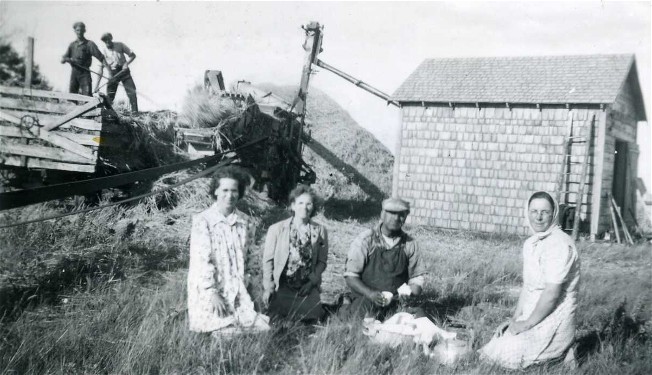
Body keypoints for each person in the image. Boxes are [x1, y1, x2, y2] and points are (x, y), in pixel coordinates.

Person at [479, 191, 580, 369]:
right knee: (491, 351)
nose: (538, 217)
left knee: (506, 359)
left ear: (554, 214)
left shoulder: (560, 244)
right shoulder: (531, 243)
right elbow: (528, 287)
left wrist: (526, 324)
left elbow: (552, 293)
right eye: (534, 211)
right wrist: (515, 320)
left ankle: (562, 352)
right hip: (533, 313)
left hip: (555, 315)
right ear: (527, 212)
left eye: (544, 212)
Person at [187, 166, 270, 334]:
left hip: (237, 288)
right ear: (216, 191)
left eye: (234, 190)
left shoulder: (246, 222)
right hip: (212, 290)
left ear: (239, 193)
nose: (229, 195)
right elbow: (201, 261)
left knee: (261, 329)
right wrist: (212, 293)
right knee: (222, 330)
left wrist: (253, 289)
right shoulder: (203, 221)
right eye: (224, 190)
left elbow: (252, 260)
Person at [341, 197, 427, 320]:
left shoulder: (410, 244)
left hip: (396, 302)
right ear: (382, 214)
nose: (396, 218)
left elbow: (417, 278)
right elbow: (351, 276)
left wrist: (410, 292)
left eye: (401, 215)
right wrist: (370, 294)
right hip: (365, 299)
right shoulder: (366, 240)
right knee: (363, 316)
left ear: (406, 217)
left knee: (419, 318)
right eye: (392, 213)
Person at [262, 184, 328, 322]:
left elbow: (322, 262)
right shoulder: (276, 229)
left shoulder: (320, 230)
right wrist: (269, 287)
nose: (304, 207)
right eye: (300, 203)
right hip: (283, 286)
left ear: (313, 207)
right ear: (293, 206)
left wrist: (311, 283)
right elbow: (268, 261)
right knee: (276, 318)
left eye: (309, 204)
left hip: (306, 287)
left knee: (312, 317)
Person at [96, 32, 139, 113]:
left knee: (132, 91)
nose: (107, 42)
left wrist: (126, 64)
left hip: (124, 71)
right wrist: (96, 86)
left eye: (108, 40)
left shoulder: (120, 45)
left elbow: (133, 55)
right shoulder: (103, 51)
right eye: (105, 41)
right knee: (110, 95)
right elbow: (100, 69)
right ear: (103, 42)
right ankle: (108, 113)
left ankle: (135, 112)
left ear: (111, 38)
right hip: (113, 73)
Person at [61, 22, 106, 96]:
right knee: (72, 98)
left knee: (87, 97)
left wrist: (109, 71)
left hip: (85, 73)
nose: (79, 32)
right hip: (74, 73)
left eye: (81, 30)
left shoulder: (89, 44)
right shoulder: (72, 45)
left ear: (84, 31)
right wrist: (65, 59)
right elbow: (63, 58)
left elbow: (101, 58)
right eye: (78, 30)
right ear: (75, 31)